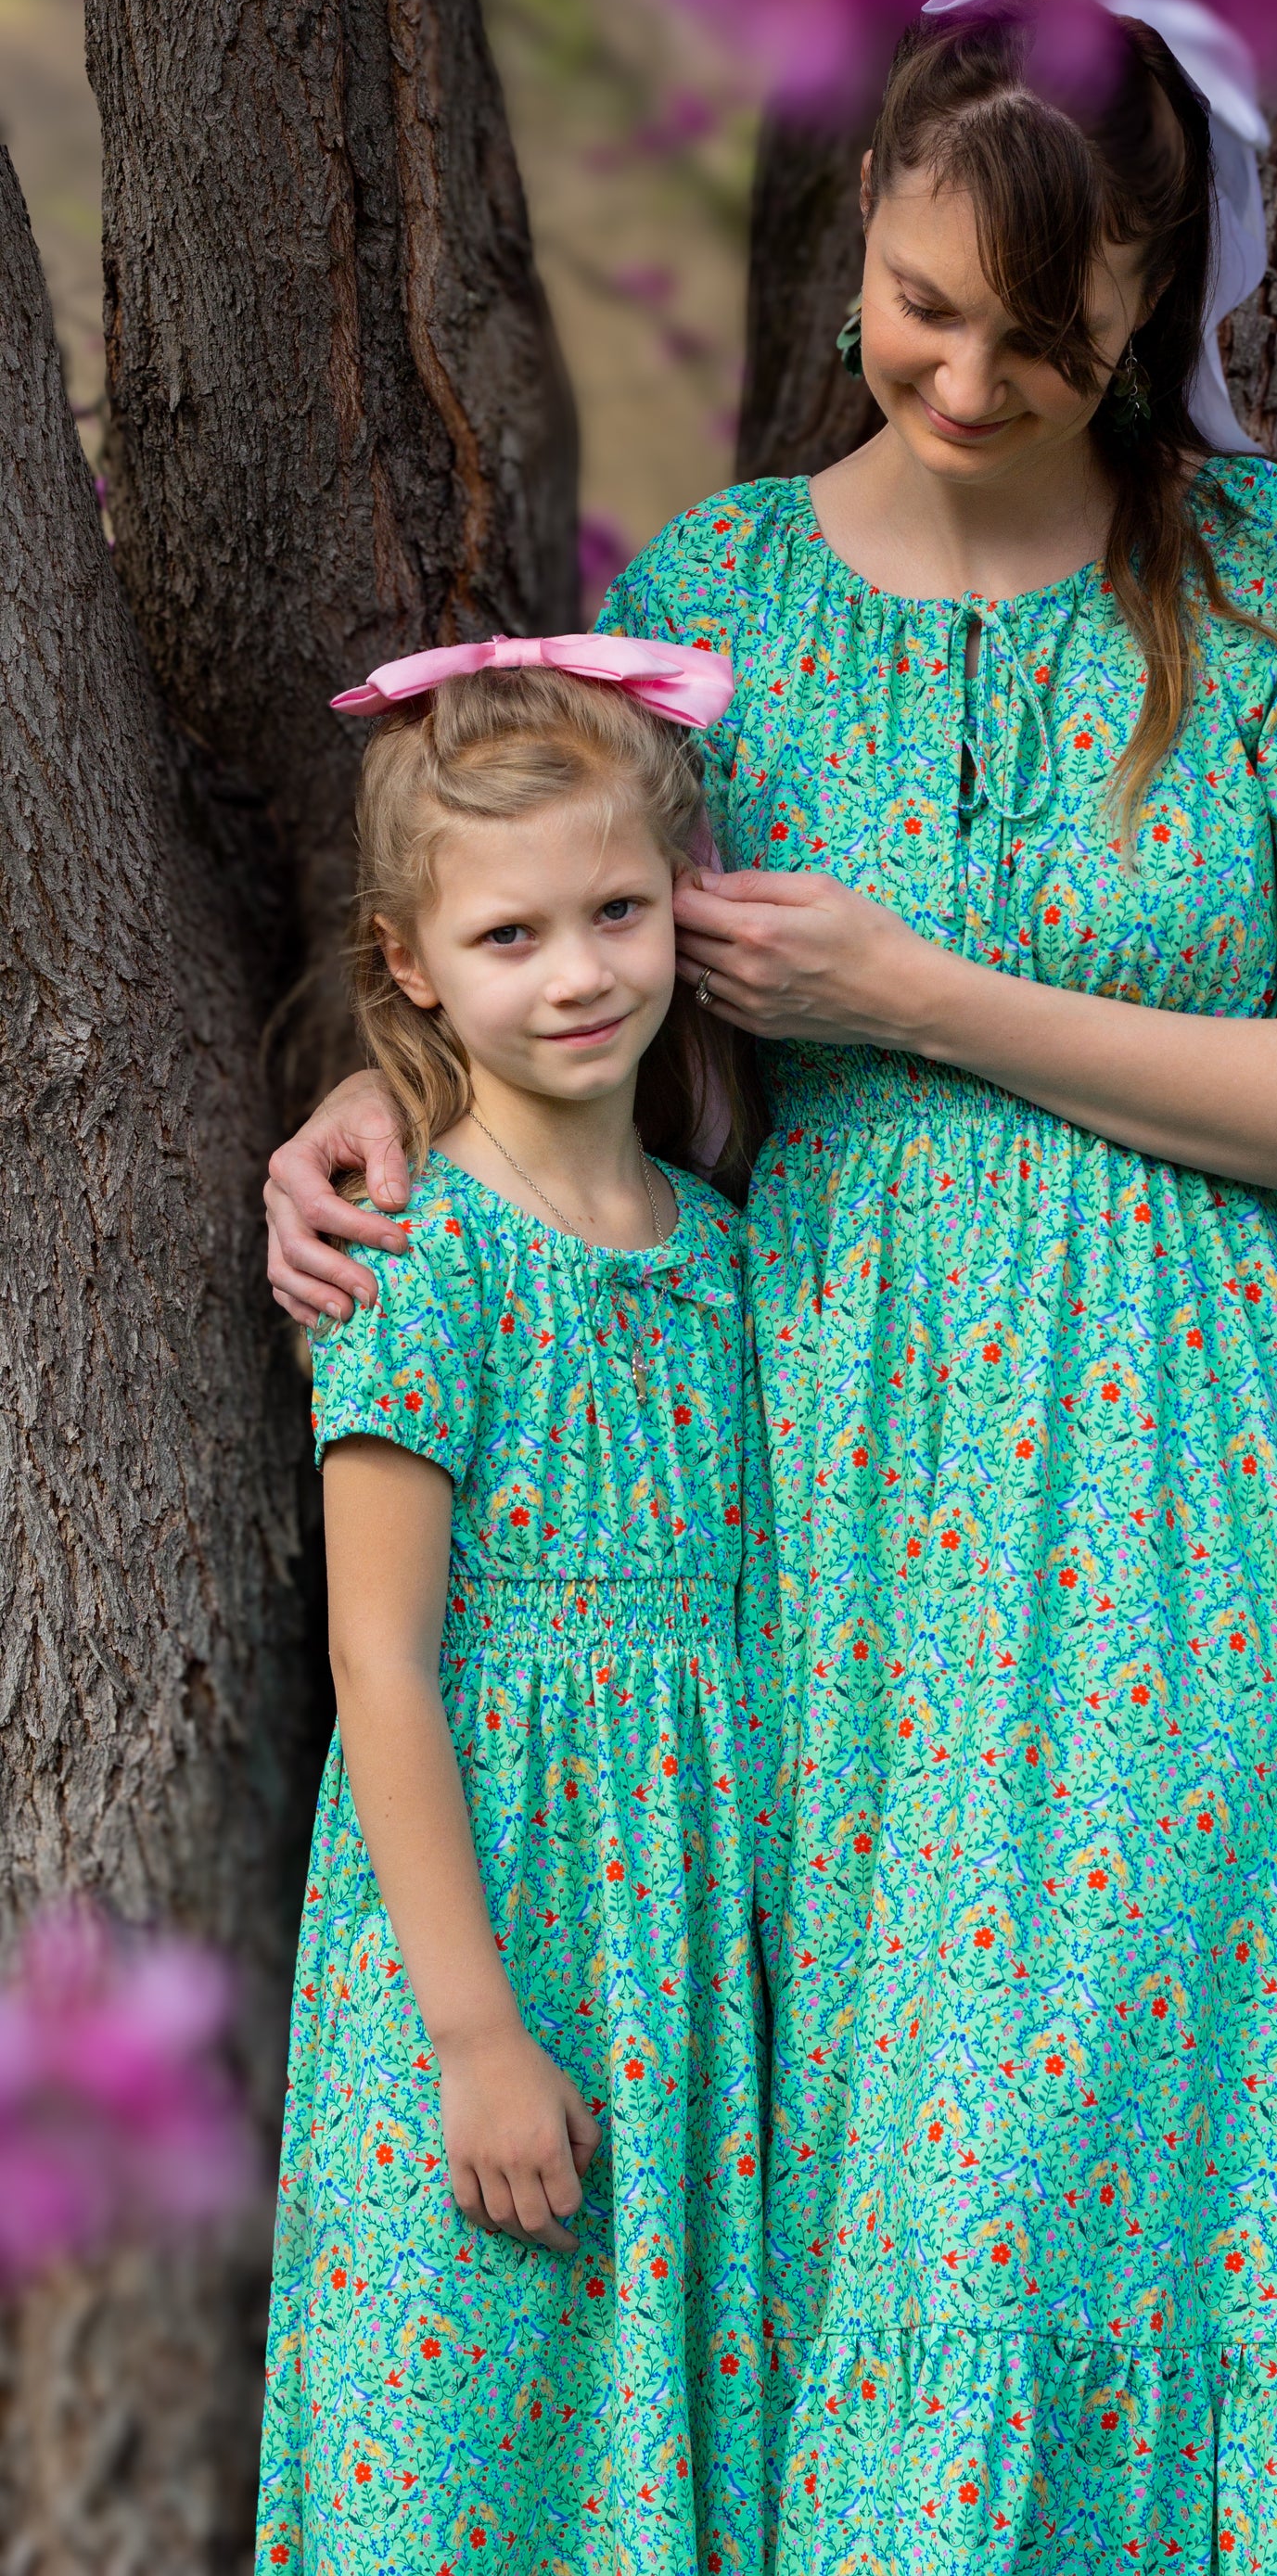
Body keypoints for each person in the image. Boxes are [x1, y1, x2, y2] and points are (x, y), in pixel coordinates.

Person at [267, 0, 1277, 2576]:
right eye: (919, 305)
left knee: (1072, 2160)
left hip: (1165, 1487)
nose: (966, 377)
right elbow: (538, 937)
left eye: (1040, 337)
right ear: (860, 241)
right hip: (808, 1502)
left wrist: (924, 995)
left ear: (1151, 295)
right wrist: (379, 1108)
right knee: (847, 2185)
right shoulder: (721, 598)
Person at [255, 644, 768, 2576]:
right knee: (462, 2419)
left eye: (617, 909)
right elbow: (379, 1658)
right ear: (412, 964)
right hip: (488, 1921)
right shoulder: (421, 1256)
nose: (578, 972)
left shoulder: (728, 1249)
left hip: (688, 1939)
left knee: (660, 2425)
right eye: (511, 932)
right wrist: (471, 2025)